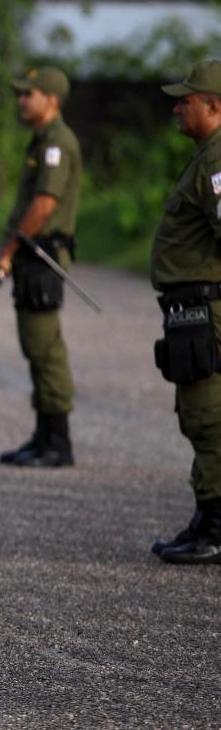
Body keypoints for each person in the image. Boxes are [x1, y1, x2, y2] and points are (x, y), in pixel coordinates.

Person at [0, 67, 82, 467]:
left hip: (41, 256)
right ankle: (43, 435)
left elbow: (44, 204)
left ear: (52, 100)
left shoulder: (57, 143)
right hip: (32, 256)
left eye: (30, 94)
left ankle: (57, 442)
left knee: (45, 349)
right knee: (35, 346)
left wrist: (7, 251)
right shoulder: (41, 141)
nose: (22, 100)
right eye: (21, 94)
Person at [148, 59, 221, 565]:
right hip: (188, 310)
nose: (177, 107)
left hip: (205, 310)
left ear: (214, 107)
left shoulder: (218, 164)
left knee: (209, 416)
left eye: (186, 99)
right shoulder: (205, 156)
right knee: (198, 415)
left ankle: (215, 527)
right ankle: (207, 515)